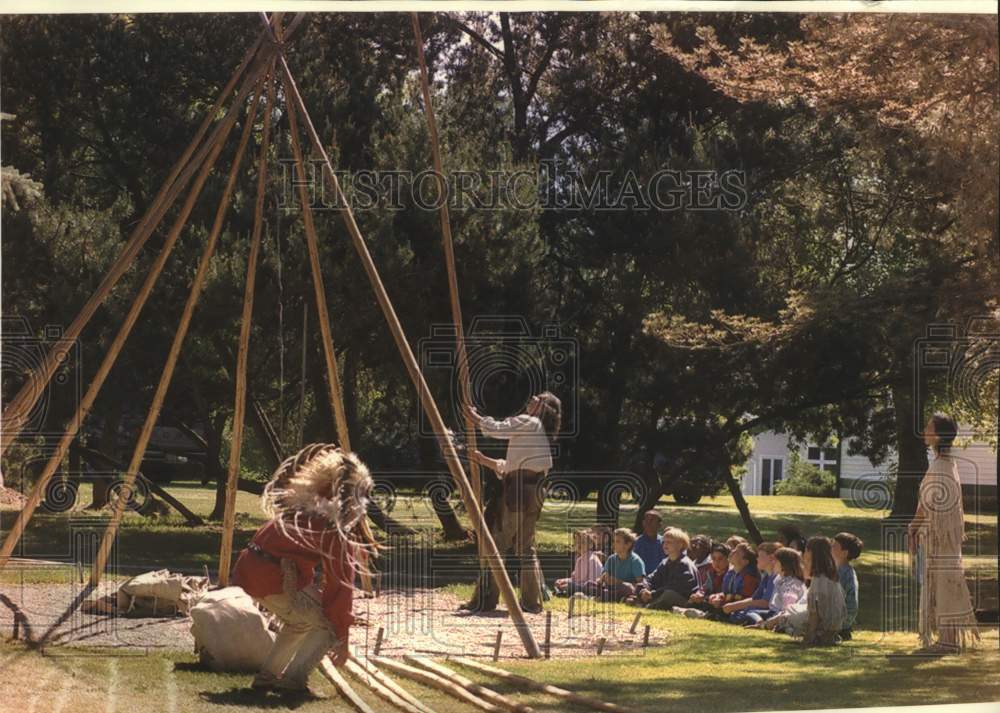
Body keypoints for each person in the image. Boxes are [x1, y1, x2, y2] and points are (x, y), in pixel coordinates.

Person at [232, 444, 376, 696]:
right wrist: (342, 634)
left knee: (299, 623)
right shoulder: (332, 527)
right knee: (326, 627)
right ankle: (293, 682)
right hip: (274, 577)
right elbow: (340, 587)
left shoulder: (299, 510)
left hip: (250, 571)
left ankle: (267, 678)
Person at [461, 391, 562, 614]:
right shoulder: (538, 431)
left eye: (539, 398)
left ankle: (485, 600)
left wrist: (476, 418)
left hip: (518, 492)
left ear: (543, 408)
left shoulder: (530, 422)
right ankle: (530, 602)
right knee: (526, 548)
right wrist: (482, 459)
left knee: (498, 543)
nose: (533, 397)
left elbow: (499, 429)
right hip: (534, 491)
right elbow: (511, 465)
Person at [908, 413, 980, 653]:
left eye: (929, 427)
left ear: (938, 435)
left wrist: (914, 526)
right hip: (941, 537)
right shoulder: (946, 464)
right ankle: (947, 638)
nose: (925, 430)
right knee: (943, 583)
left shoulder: (942, 466)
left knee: (944, 583)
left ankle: (948, 640)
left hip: (941, 538)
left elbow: (929, 504)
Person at [767, 536, 846, 645]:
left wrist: (809, 637)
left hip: (823, 626)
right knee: (790, 612)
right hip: (832, 626)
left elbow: (815, 613)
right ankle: (768, 624)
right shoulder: (831, 578)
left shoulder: (819, 581)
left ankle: (767, 624)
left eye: (807, 550)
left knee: (787, 615)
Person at [637, 527, 699, 610]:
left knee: (668, 594)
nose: (665, 545)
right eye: (664, 542)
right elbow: (651, 578)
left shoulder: (684, 564)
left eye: (669, 542)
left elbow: (674, 587)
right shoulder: (665, 562)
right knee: (639, 586)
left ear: (680, 545)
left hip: (684, 600)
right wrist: (644, 589)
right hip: (661, 594)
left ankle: (648, 606)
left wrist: (653, 594)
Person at [747, 547, 807, 627]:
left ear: (784, 564)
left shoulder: (793, 583)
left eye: (775, 561)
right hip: (773, 611)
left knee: (750, 614)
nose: (772, 562)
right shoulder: (778, 578)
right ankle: (760, 622)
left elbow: (788, 606)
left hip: (781, 613)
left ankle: (767, 624)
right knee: (751, 612)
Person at [725, 542, 780, 625]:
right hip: (757, 609)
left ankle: (760, 623)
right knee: (737, 614)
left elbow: (766, 603)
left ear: (771, 558)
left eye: (760, 556)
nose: (757, 559)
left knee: (749, 613)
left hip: (771, 611)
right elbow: (754, 598)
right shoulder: (766, 577)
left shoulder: (775, 578)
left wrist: (736, 606)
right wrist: (733, 605)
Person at [585, 528, 646, 601]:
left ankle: (604, 596)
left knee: (626, 587)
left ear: (628, 545)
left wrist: (619, 582)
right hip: (609, 588)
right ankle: (605, 596)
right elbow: (602, 578)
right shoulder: (611, 559)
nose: (613, 544)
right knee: (589, 584)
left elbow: (640, 585)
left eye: (618, 541)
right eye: (613, 541)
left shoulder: (635, 561)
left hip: (625, 589)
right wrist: (602, 579)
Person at [832, 532, 863, 640]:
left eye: (834, 546)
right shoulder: (833, 569)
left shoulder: (846, 573)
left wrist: (845, 623)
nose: (830, 548)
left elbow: (852, 604)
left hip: (841, 621)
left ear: (844, 553)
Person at [554, 529, 602, 596]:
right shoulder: (579, 560)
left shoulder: (592, 560)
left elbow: (592, 583)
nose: (579, 545)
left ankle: (566, 591)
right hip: (579, 586)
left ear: (590, 545)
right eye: (577, 542)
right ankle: (564, 591)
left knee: (570, 587)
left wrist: (573, 585)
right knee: (559, 583)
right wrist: (564, 580)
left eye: (582, 542)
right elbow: (575, 579)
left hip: (590, 587)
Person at [633, 510, 665, 574]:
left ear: (659, 525)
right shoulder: (635, 543)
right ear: (643, 523)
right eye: (646, 520)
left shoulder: (665, 543)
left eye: (652, 520)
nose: (648, 523)